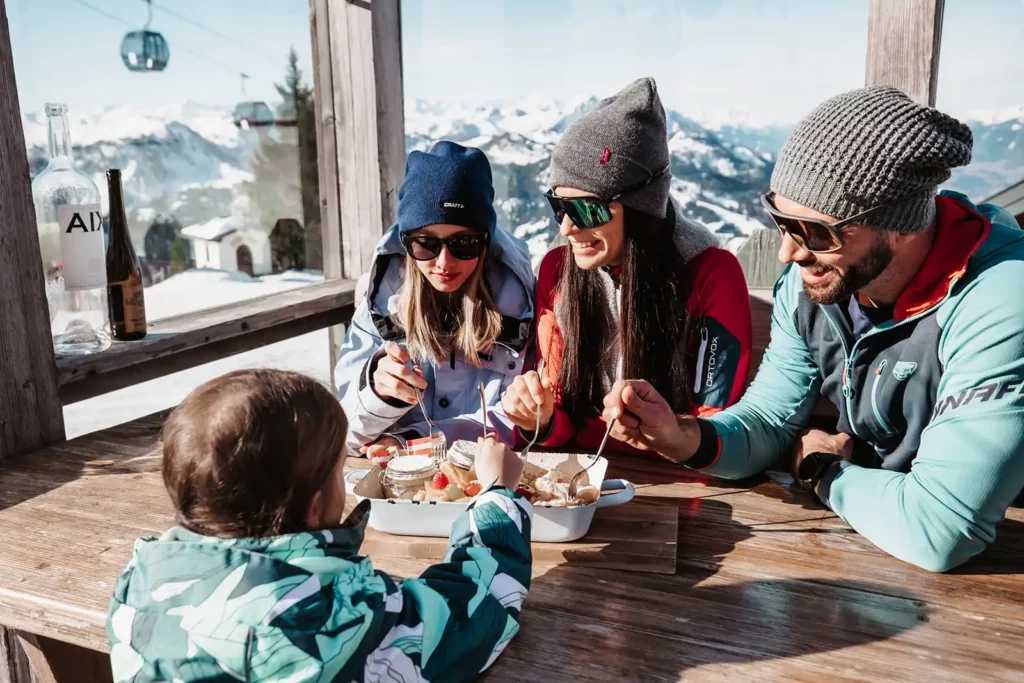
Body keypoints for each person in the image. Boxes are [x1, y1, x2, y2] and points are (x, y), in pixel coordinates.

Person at [602, 85, 1024, 572]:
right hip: (868, 546)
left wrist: (822, 471)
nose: (789, 253)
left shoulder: (998, 300)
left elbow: (941, 529)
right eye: (782, 222)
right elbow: (769, 422)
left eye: (817, 233)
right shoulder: (812, 288)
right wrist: (679, 435)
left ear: (901, 224)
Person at [106, 368, 532, 682]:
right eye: (337, 471)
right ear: (314, 508)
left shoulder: (137, 584)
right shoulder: (329, 616)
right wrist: (496, 494)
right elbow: (472, 615)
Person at [500, 77, 752, 454]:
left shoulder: (710, 274)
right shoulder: (558, 270)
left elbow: (713, 424)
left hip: (679, 487)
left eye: (585, 209)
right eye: (558, 206)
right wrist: (541, 418)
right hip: (583, 477)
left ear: (639, 209)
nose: (567, 227)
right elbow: (560, 415)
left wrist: (664, 433)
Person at [335, 141, 535, 457]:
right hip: (404, 486)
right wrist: (379, 395)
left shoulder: (521, 307)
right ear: (405, 243)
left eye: (464, 243)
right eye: (425, 244)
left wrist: (415, 444)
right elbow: (343, 433)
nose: (443, 263)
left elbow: (520, 422)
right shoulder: (380, 305)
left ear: (486, 242)